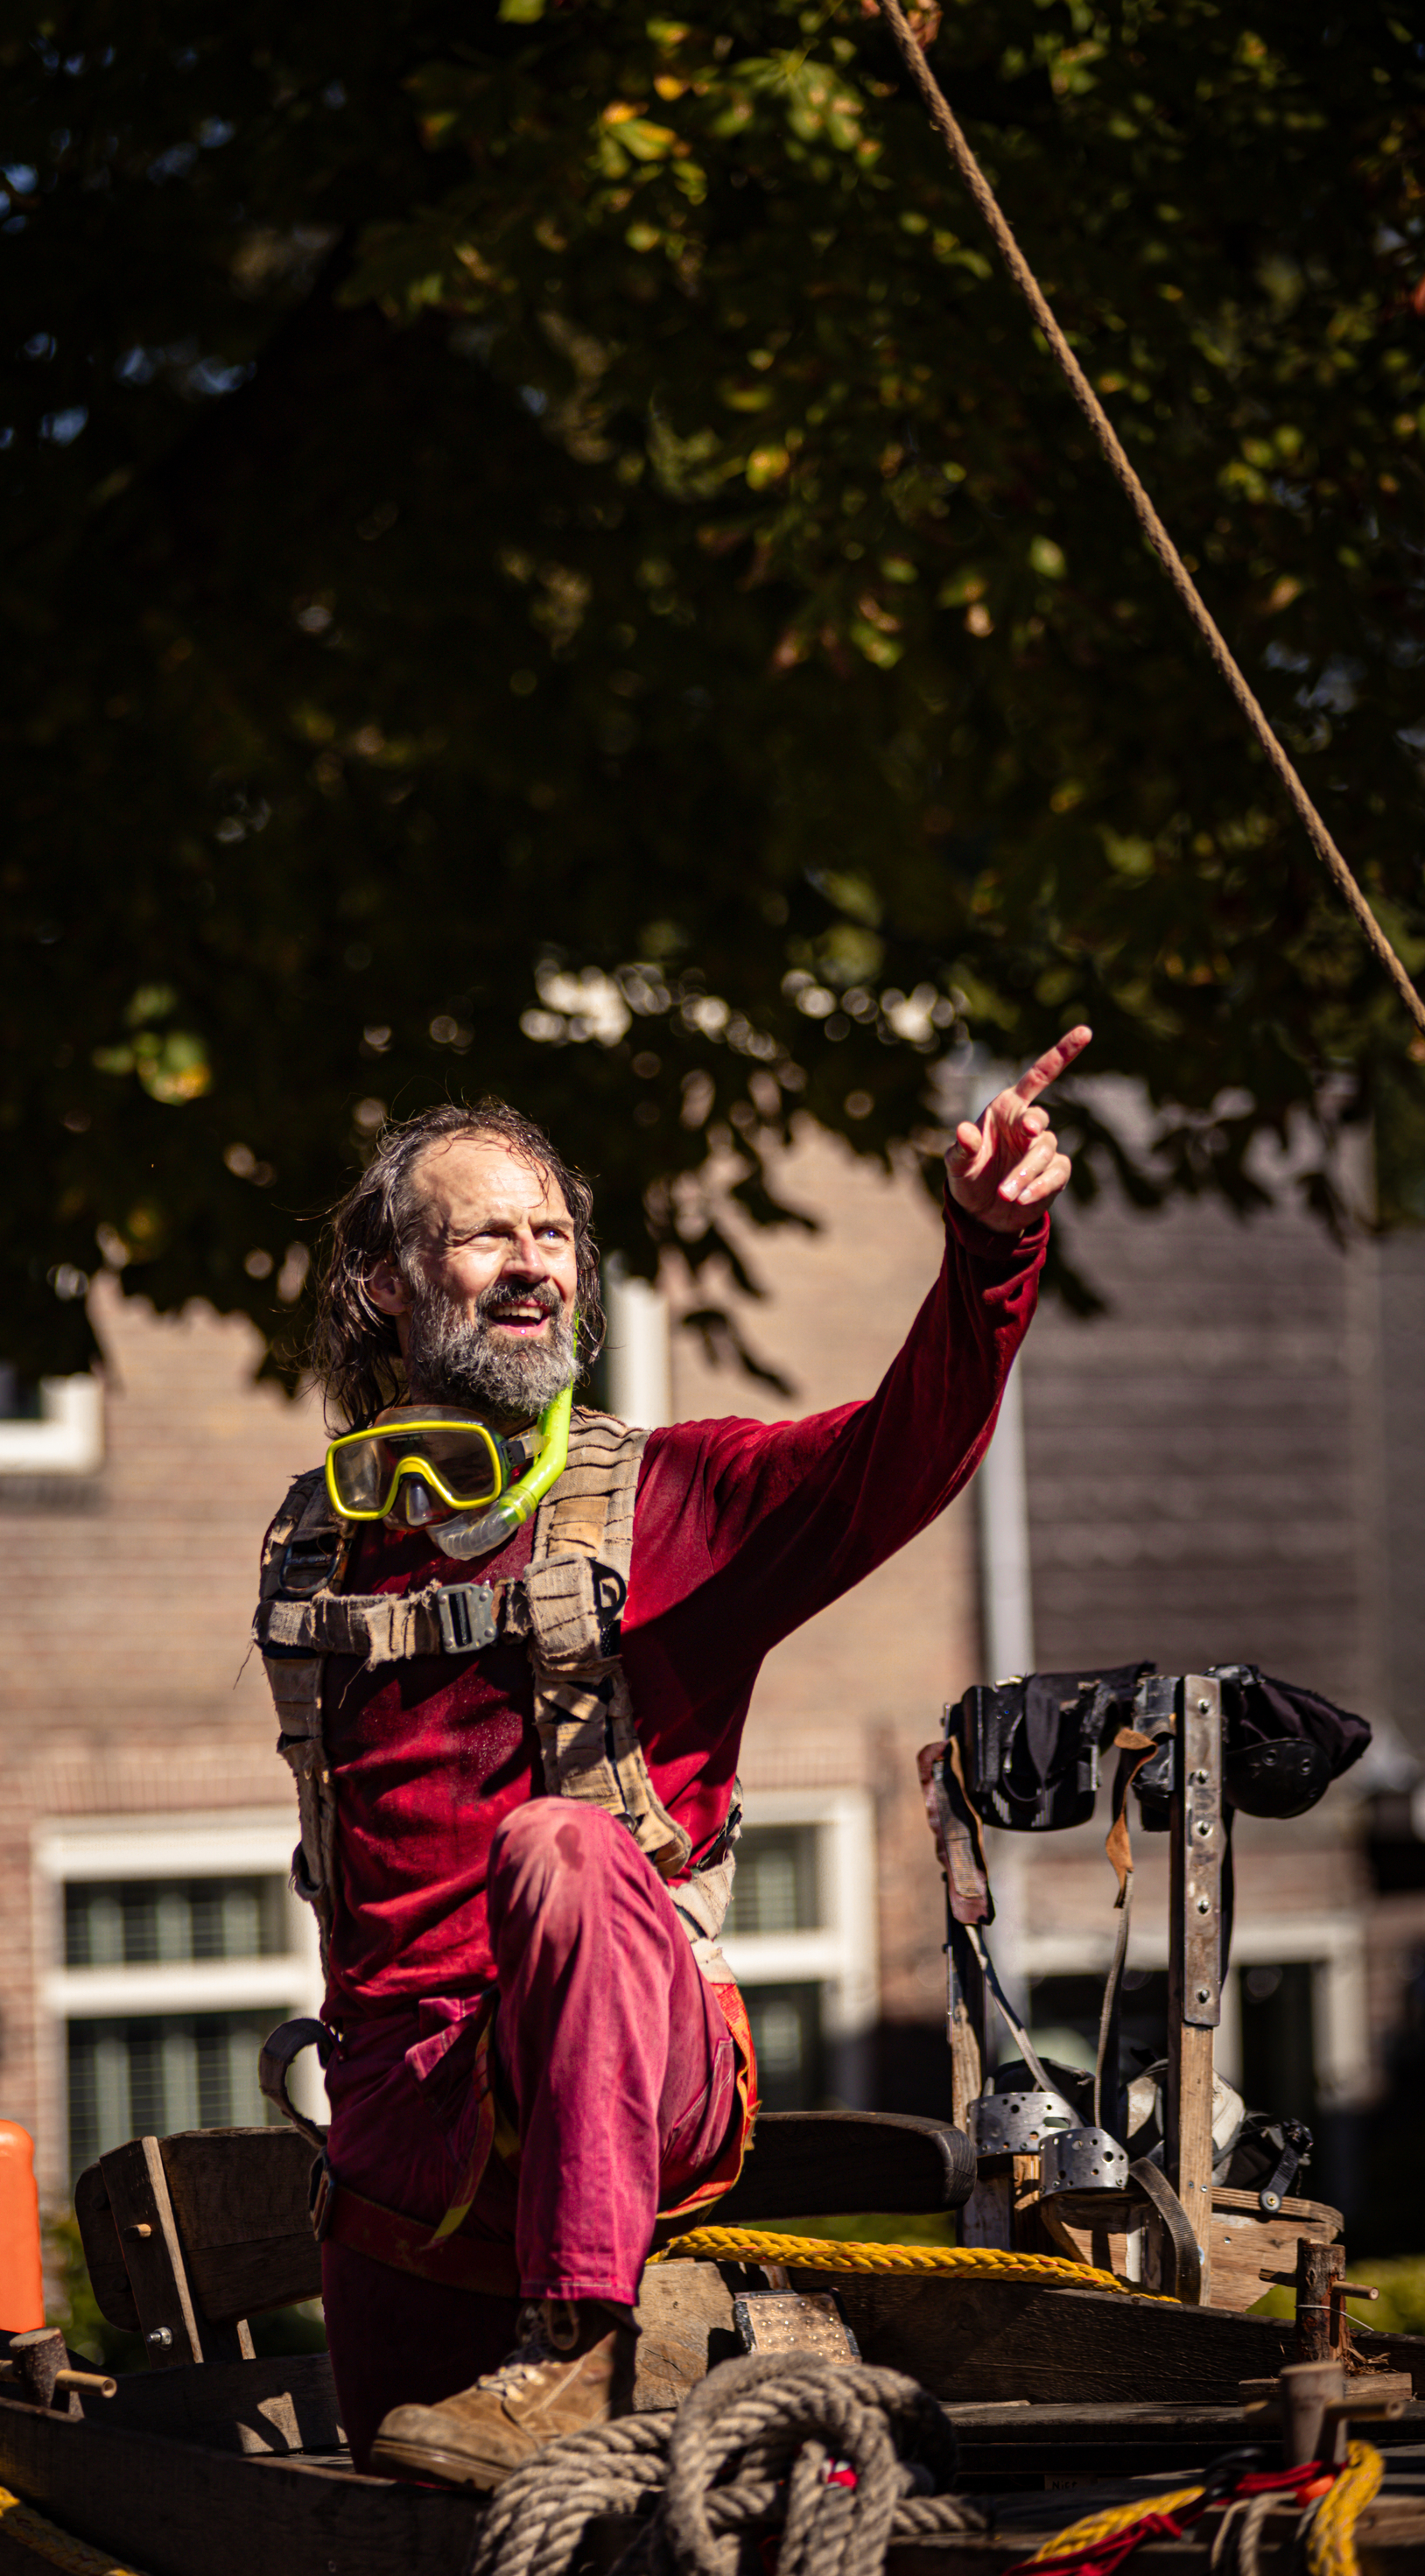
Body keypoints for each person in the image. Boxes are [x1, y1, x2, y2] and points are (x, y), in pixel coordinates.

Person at [252, 1028, 1089, 2487]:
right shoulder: (320, 1552)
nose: (533, 1262)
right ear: (383, 1286)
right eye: (483, 1236)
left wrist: (988, 1248)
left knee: (559, 1843)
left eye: (554, 1232)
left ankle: (573, 2340)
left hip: (645, 2082)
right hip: (401, 2185)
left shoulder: (681, 1501)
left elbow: (911, 1446)